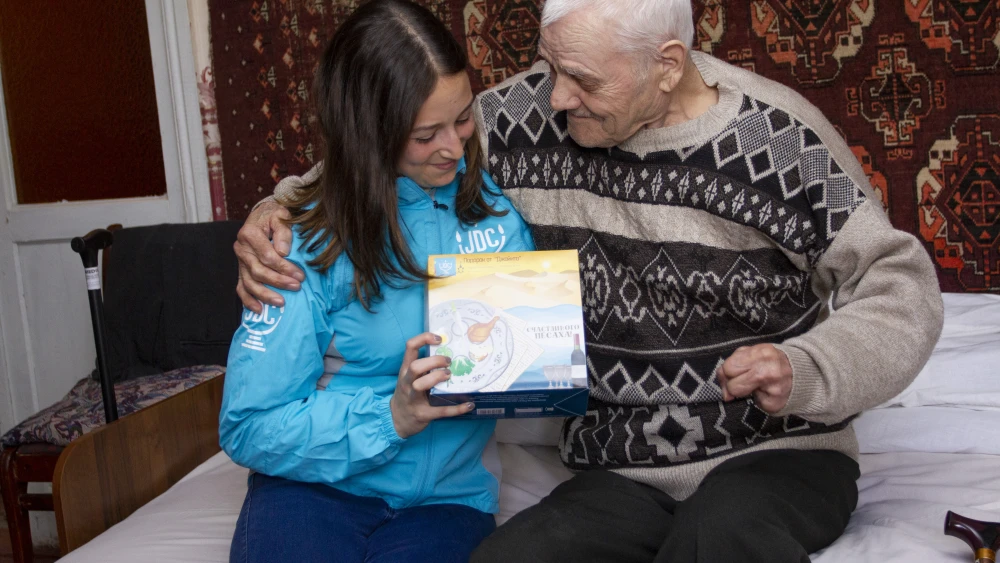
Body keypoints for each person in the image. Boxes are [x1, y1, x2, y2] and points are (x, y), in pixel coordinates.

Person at [235, 0, 944, 561]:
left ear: (667, 65)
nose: (556, 97)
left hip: (774, 453)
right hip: (621, 469)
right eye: (551, 68)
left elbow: (899, 285)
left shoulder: (781, 141)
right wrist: (281, 204)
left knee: (718, 540)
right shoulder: (521, 120)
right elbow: (388, 144)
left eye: (583, 79)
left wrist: (809, 365)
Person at [218, 1, 534, 562]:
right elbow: (248, 425)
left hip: (447, 503)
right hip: (314, 490)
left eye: (462, 118)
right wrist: (389, 418)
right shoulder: (301, 242)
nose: (454, 148)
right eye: (424, 134)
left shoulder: (499, 220)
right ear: (370, 135)